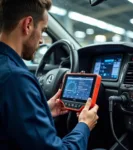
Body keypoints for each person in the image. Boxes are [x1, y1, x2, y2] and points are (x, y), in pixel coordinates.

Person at [0, 0, 99, 149]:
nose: (41, 40)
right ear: (28, 25)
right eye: (43, 30)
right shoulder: (16, 79)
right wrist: (84, 125)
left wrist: (44, 110)